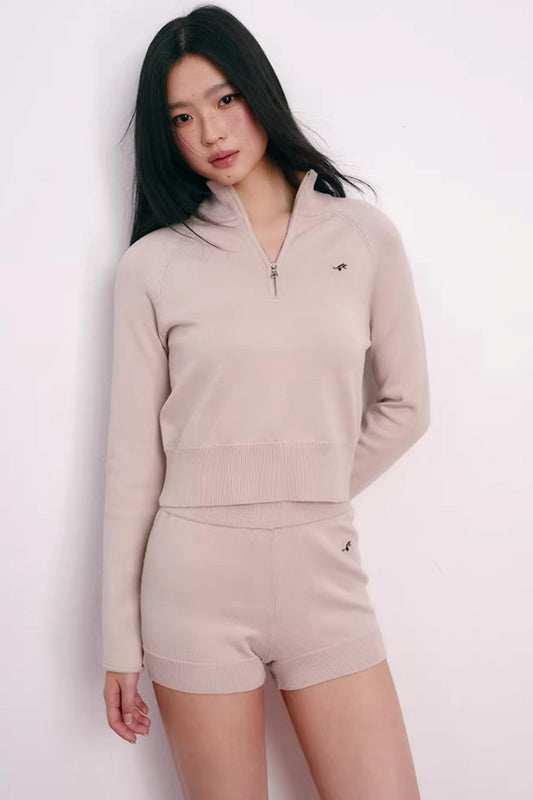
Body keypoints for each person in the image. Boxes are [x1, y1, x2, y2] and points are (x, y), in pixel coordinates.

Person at [101, 5, 430, 798]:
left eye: (224, 99)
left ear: (258, 92)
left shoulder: (363, 237)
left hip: (324, 572)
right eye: (181, 117)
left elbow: (406, 405)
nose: (210, 130)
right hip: (192, 584)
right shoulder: (152, 266)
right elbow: (132, 463)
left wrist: (305, 485)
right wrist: (117, 643)